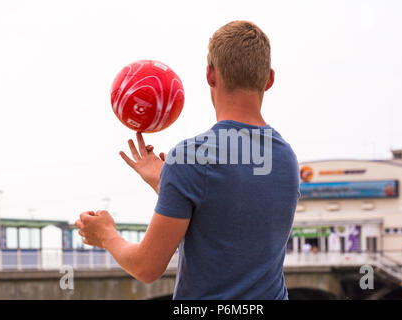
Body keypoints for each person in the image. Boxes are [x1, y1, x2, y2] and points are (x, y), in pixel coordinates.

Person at [75, 21, 300, 300]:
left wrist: (106, 234)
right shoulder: (286, 158)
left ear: (210, 74)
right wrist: (166, 182)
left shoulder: (191, 157)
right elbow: (225, 220)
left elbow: (146, 267)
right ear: (269, 79)